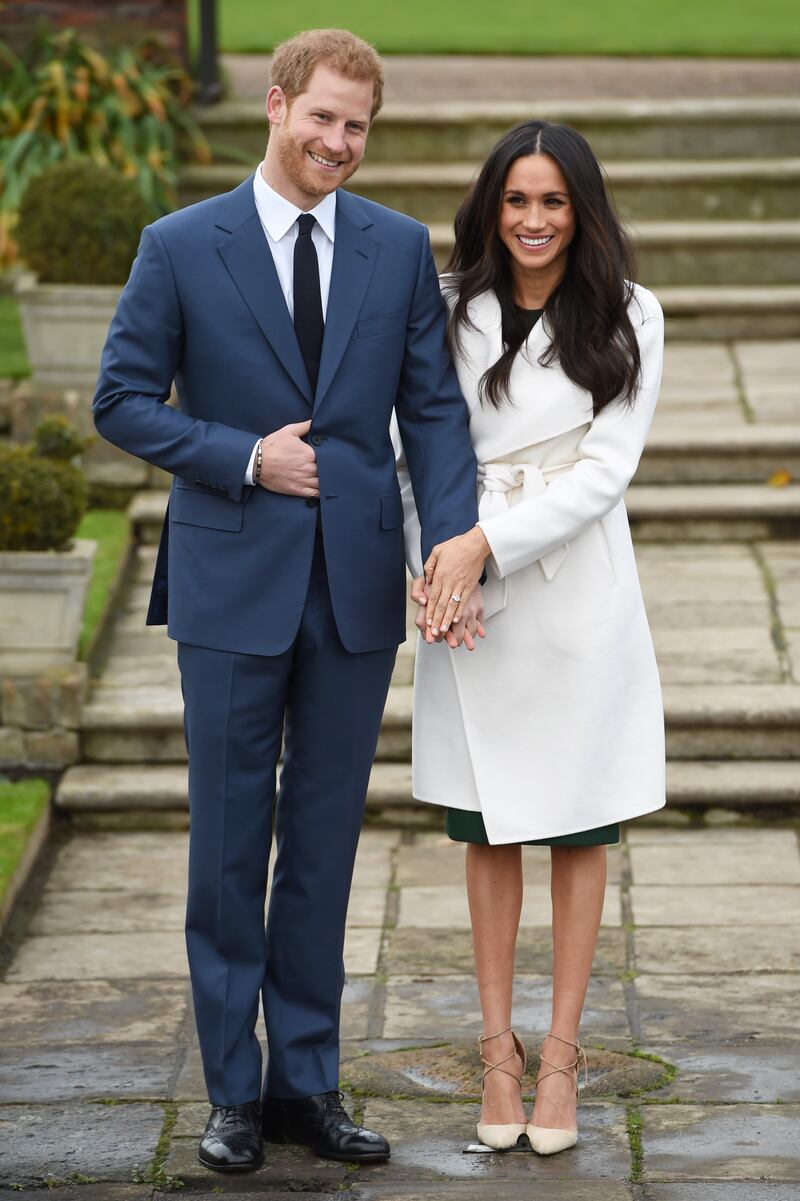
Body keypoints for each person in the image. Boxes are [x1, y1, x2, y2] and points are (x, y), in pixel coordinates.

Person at [93, 29, 481, 1175]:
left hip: (355, 590)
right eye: (322, 118)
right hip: (227, 582)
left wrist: (451, 542)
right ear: (275, 107)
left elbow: (436, 414)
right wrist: (240, 456)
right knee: (226, 845)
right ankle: (230, 1092)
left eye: (358, 125)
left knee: (320, 845)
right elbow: (119, 400)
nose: (340, 143)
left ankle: (307, 1082)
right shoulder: (179, 245)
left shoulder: (397, 249)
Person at [396, 120, 665, 1156]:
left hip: (571, 592)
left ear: (581, 208)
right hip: (460, 593)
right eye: (515, 200)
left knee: (579, 820)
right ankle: (494, 1051)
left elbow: (603, 473)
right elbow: (412, 443)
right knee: (488, 824)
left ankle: (560, 1057)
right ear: (489, 207)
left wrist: (480, 549)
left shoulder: (631, 313)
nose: (533, 220)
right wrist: (435, 565)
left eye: (552, 200)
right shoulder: (444, 305)